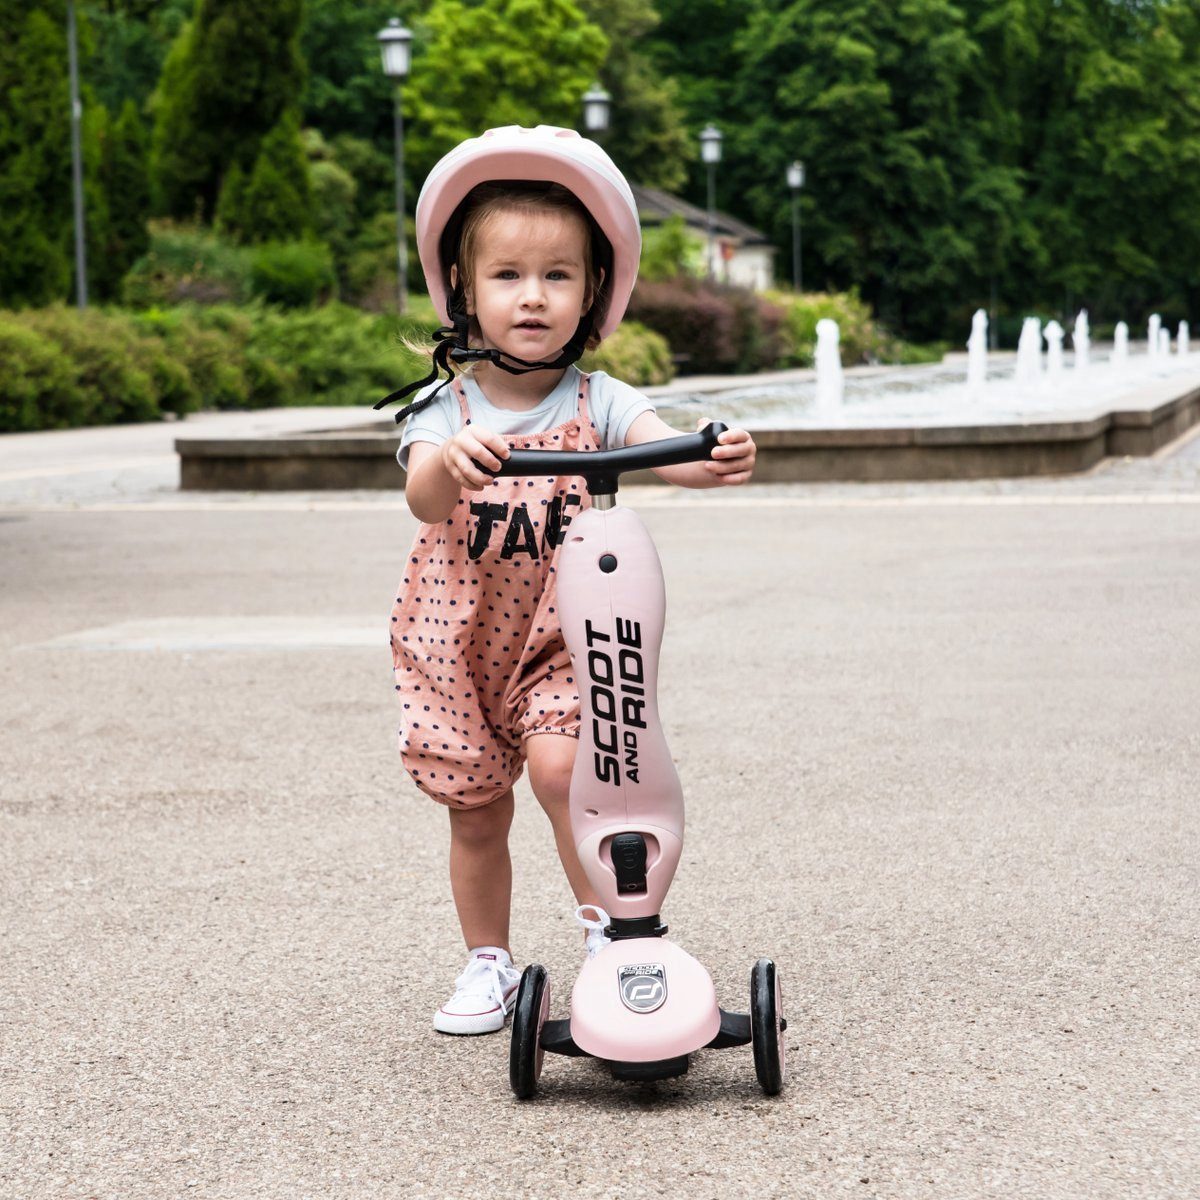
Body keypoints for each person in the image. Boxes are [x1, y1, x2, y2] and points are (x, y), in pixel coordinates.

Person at [382, 126, 757, 1035]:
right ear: (463, 290)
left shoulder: (602, 400)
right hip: (457, 640)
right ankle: (489, 962)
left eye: (557, 275)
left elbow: (663, 448)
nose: (533, 296)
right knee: (476, 814)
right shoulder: (445, 408)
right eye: (507, 275)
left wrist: (711, 455)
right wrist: (451, 462)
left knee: (567, 773)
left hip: (565, 637)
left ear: (592, 292)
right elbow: (422, 496)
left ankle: (611, 937)